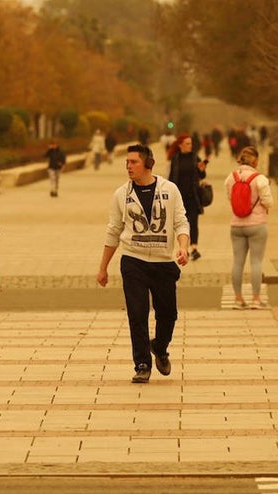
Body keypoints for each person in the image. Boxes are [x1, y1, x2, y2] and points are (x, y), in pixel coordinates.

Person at [96, 144, 190, 384]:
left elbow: (181, 221)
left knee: (168, 314)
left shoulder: (170, 190)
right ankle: (142, 364)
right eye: (127, 162)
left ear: (149, 164)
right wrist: (103, 267)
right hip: (133, 261)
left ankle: (159, 347)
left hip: (163, 262)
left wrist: (183, 247)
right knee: (137, 314)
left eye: (134, 162)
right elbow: (113, 231)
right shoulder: (121, 195)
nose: (128, 166)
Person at [225, 145, 272, 309]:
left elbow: (229, 198)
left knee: (237, 262)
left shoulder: (231, 178)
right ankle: (256, 299)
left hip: (236, 225)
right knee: (256, 262)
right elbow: (268, 201)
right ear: (256, 160)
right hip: (257, 225)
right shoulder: (260, 179)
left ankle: (238, 299)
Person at [167, 133, 207, 262]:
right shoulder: (175, 159)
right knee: (182, 223)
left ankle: (194, 248)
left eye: (191, 143)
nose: (190, 146)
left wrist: (202, 170)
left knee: (194, 222)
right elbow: (171, 177)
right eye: (187, 144)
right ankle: (184, 249)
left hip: (193, 196)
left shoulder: (195, 157)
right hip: (179, 197)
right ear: (180, 145)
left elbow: (201, 176)